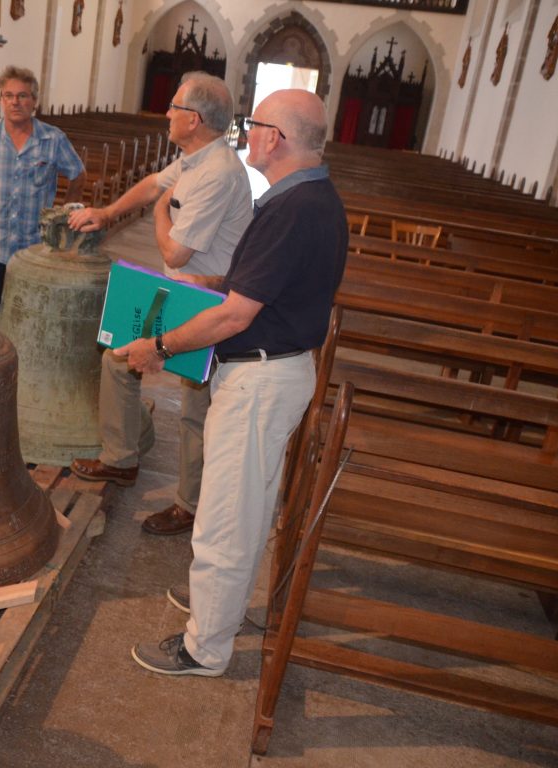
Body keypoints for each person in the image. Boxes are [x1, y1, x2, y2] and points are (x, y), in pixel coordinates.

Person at [121, 89, 347, 677]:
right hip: (275, 371)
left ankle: (205, 647)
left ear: (275, 137)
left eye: (254, 124)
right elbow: (262, 284)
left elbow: (235, 317)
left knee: (225, 516)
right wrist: (209, 283)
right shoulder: (311, 197)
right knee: (247, 508)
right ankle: (223, 608)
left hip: (261, 380)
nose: (247, 133)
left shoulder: (293, 207)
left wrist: (159, 347)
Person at [66, 72, 252, 537]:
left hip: (207, 300)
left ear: (194, 119)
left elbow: (175, 251)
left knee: (195, 407)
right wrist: (107, 213)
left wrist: (159, 216)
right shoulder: (194, 159)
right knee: (117, 359)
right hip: (180, 291)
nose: (166, 113)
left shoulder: (218, 173)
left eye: (174, 107)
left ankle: (189, 505)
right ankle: (121, 458)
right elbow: (153, 183)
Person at [0, 65, 85, 326]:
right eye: (8, 95)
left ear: (34, 101)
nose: (15, 102)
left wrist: (64, 215)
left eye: (22, 95)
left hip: (36, 245)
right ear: (0, 99)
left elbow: (78, 174)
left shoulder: (53, 139)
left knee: (31, 314)